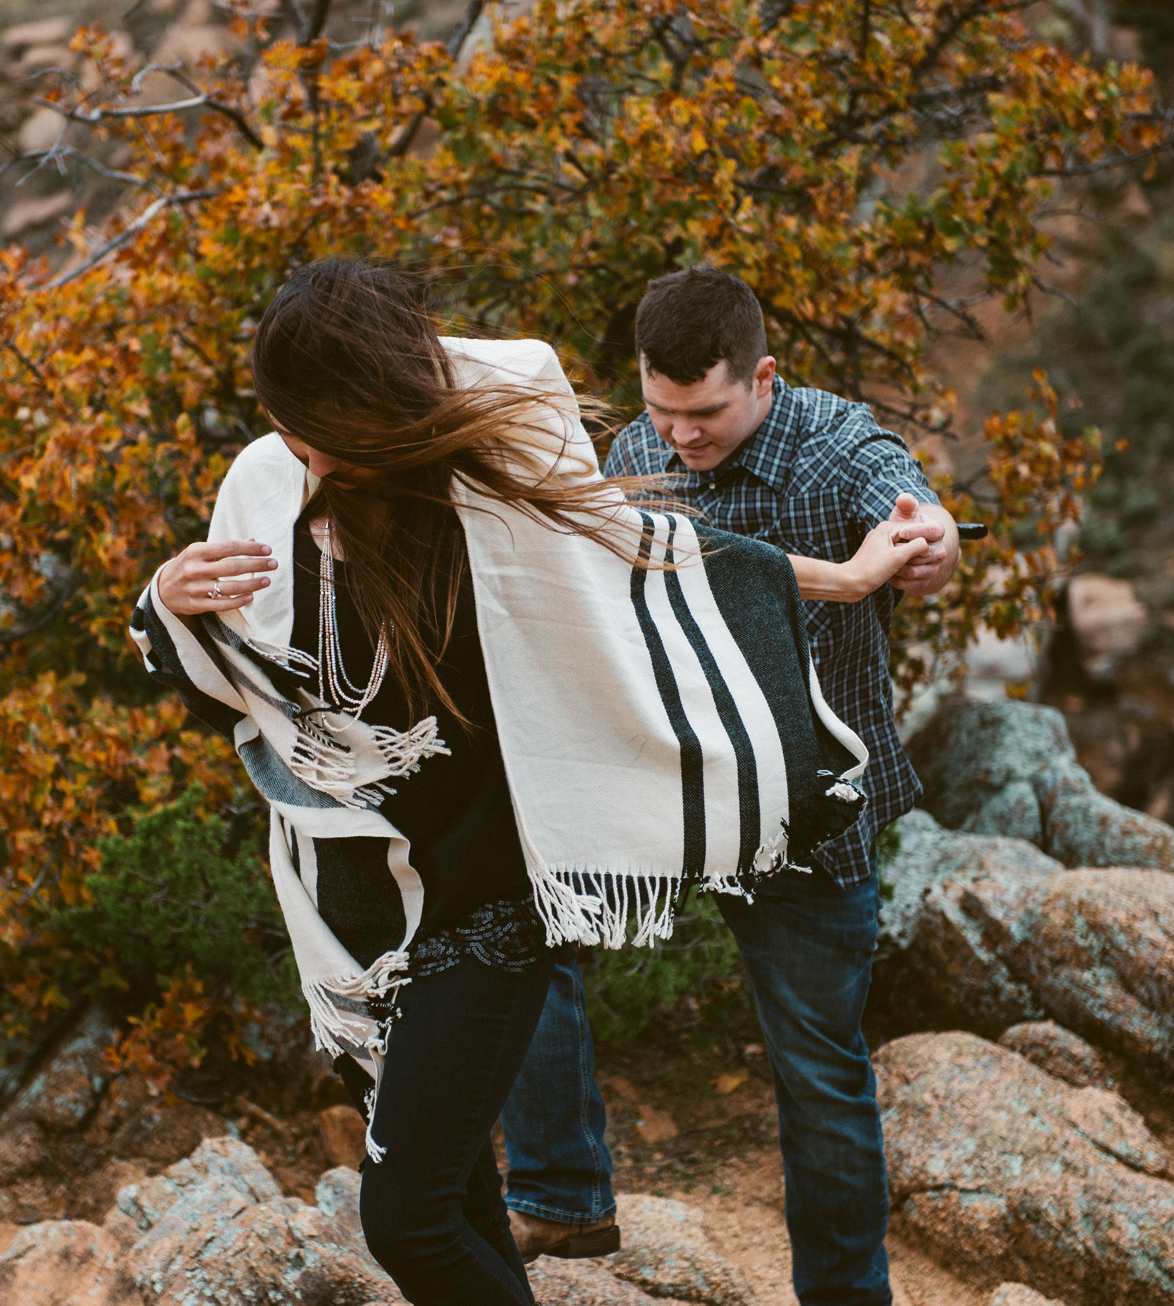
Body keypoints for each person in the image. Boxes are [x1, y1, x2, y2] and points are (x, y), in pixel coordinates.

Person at [129, 259, 879, 1306]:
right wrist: (166, 599)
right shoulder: (268, 487)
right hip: (363, 915)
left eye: (313, 424)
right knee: (461, 1199)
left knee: (407, 1219)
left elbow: (649, 556)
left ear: (374, 406)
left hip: (492, 909)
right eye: (282, 419)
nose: (294, 446)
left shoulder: (494, 475)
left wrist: (839, 581)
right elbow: (238, 695)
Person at [501, 266, 957, 1305]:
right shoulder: (634, 450)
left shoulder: (836, 447)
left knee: (817, 1076)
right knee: (514, 918)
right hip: (666, 794)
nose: (680, 439)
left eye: (703, 413)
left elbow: (918, 512)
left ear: (761, 378)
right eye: (662, 412)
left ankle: (845, 1299)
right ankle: (563, 1188)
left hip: (803, 812)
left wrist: (934, 541)